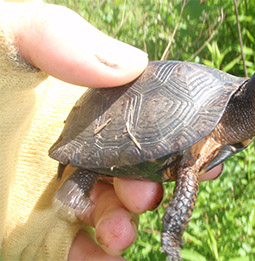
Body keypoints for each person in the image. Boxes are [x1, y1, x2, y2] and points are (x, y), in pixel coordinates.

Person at [0, 2, 223, 260]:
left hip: (149, 135)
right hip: (121, 134)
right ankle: (170, 241)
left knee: (171, 181)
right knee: (165, 181)